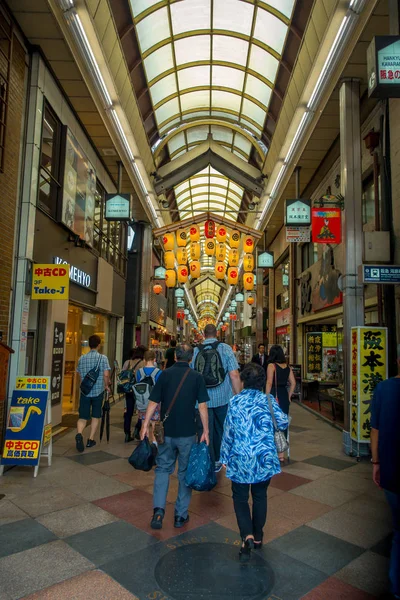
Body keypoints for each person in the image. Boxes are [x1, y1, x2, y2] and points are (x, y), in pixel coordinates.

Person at [220, 363, 288, 562]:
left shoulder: (235, 402)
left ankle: (246, 535)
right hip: (263, 458)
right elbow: (283, 422)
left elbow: (228, 433)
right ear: (260, 383)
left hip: (241, 457)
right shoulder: (267, 400)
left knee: (240, 497)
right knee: (260, 496)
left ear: (242, 381)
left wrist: (224, 457)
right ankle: (258, 536)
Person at [141, 344, 209, 530]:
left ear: (176, 357)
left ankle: (158, 511)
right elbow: (202, 406)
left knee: (163, 469)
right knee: (185, 473)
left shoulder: (165, 374)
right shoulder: (196, 377)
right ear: (191, 357)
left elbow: (154, 402)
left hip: (167, 433)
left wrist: (145, 424)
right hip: (188, 433)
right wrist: (206, 430)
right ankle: (180, 515)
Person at [371, 346, 400, 600]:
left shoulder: (384, 388)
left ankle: (396, 586)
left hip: (392, 470)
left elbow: (375, 429)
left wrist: (376, 462)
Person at [192, 324, 242, 472]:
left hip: (202, 401)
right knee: (221, 429)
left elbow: (192, 375)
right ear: (217, 333)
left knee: (204, 430)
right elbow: (234, 375)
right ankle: (218, 460)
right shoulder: (225, 349)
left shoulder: (196, 350)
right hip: (223, 398)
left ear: (203, 333)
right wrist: (238, 395)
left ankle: (206, 458)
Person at [76, 334, 111, 452]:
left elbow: (80, 375)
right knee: (96, 415)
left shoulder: (81, 358)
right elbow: (106, 375)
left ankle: (79, 434)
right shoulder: (103, 358)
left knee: (82, 416)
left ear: (89, 344)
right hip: (98, 391)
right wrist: (106, 386)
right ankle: (90, 439)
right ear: (99, 345)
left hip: (85, 392)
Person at [266, 344, 296, 463]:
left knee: (272, 423)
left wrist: (267, 398)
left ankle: (272, 451)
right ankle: (281, 454)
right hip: (283, 396)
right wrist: (289, 396)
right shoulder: (288, 367)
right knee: (283, 423)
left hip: (274, 395)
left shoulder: (271, 366)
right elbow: (293, 383)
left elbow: (269, 383)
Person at [134, 350, 162, 445]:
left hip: (142, 401)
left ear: (144, 360)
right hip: (155, 401)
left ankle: (144, 443)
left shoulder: (139, 372)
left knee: (143, 423)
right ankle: (154, 444)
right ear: (154, 359)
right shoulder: (159, 372)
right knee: (154, 423)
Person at [122, 346, 146, 442]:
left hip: (129, 389)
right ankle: (137, 428)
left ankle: (127, 433)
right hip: (139, 389)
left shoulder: (127, 362)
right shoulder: (143, 363)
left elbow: (123, 374)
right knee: (141, 410)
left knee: (129, 412)